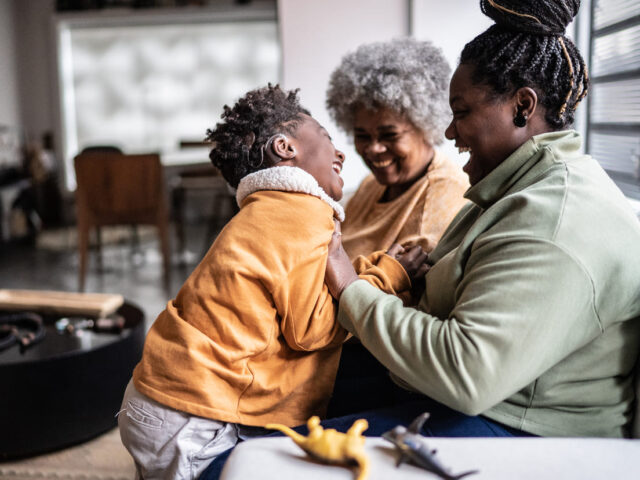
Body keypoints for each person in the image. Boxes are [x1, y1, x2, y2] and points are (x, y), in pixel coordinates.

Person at [324, 0, 640, 439]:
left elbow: (464, 374)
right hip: (456, 398)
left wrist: (350, 289)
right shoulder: (508, 189)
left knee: (253, 457)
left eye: (462, 112)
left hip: (513, 427)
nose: (450, 132)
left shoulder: (556, 220)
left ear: (522, 107)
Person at [117, 85, 410, 479]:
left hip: (160, 395)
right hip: (191, 412)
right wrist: (388, 273)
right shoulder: (304, 210)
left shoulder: (265, 212)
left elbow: (302, 297)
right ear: (286, 148)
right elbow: (312, 330)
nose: (340, 152)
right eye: (326, 137)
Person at [326, 38, 469, 260]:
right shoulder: (370, 186)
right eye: (362, 136)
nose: (374, 149)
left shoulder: (446, 193)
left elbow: (406, 287)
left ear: (425, 126)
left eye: (389, 135)